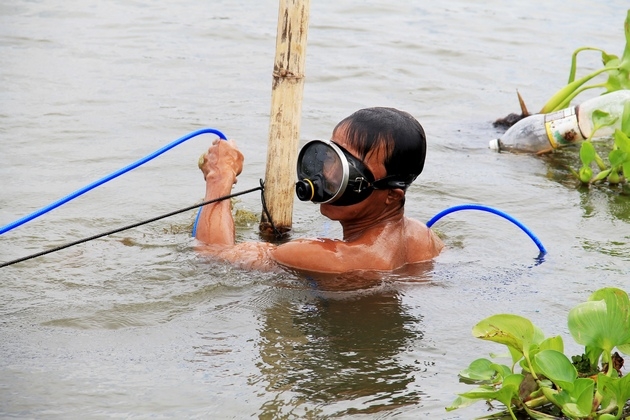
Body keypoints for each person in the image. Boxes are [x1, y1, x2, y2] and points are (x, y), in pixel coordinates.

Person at [195, 107, 444, 277]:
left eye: (349, 170)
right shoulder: (424, 238)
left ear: (392, 196)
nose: (327, 175)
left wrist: (219, 176)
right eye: (330, 157)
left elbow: (213, 256)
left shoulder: (332, 258)